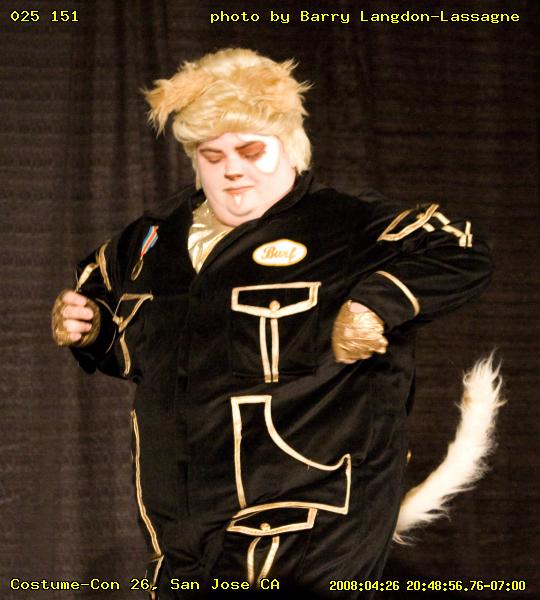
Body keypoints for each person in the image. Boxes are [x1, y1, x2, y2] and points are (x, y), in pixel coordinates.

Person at [52, 48, 493, 598]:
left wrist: (377, 303)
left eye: (250, 150)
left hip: (309, 510)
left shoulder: (346, 223)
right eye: (212, 155)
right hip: (179, 519)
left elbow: (460, 249)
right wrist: (90, 327)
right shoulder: (151, 239)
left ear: (288, 145)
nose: (232, 169)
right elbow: (117, 322)